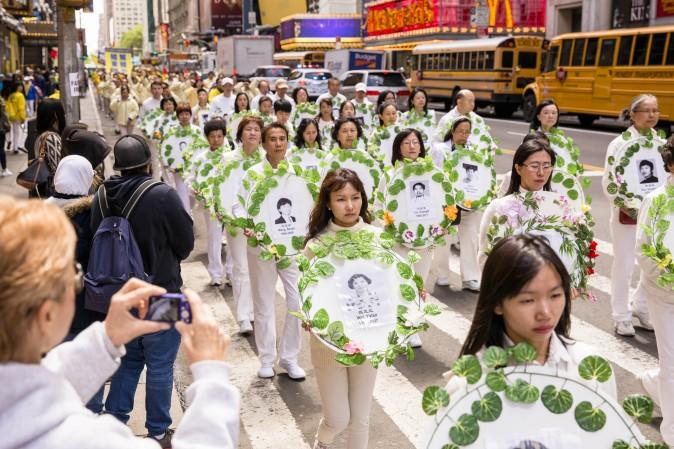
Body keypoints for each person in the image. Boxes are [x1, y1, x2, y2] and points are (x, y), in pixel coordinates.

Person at [0, 196, 239, 449]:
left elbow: (35, 391)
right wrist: (211, 374)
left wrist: (106, 338)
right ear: (46, 315)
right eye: (75, 277)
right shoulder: (88, 440)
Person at [90, 134, 195, 447]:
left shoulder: (102, 195)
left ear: (118, 166)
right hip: (162, 292)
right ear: (148, 162)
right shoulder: (162, 194)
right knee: (161, 364)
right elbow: (186, 243)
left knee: (129, 360)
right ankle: (159, 429)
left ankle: (114, 421)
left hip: (120, 296)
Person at [450, 234, 617, 399]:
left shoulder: (591, 366)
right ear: (497, 304)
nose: (545, 313)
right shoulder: (469, 385)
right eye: (528, 300)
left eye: (555, 296)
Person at [304, 168, 380, 449]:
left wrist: (411, 295)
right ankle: (322, 443)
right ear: (327, 203)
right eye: (341, 199)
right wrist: (308, 314)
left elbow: (390, 286)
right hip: (329, 344)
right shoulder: (317, 245)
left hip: (368, 340)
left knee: (360, 419)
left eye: (356, 197)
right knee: (338, 418)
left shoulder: (377, 239)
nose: (350, 205)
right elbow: (307, 294)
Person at [235, 123, 306, 380]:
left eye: (282, 139)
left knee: (297, 302)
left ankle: (290, 358)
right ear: (264, 144)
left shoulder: (297, 173)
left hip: (291, 249)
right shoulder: (252, 174)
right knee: (264, 304)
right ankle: (266, 359)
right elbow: (238, 206)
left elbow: (308, 204)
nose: (278, 143)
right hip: (261, 247)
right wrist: (247, 225)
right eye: (272, 139)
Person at [45, 155, 105, 413]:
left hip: (50, 306)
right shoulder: (94, 213)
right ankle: (91, 414)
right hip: (87, 302)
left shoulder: (41, 213)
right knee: (90, 362)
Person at [602, 94, 660, 337]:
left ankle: (642, 307)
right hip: (627, 214)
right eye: (646, 110)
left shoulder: (661, 143)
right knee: (625, 264)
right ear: (632, 115)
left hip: (655, 215)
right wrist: (629, 205)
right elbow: (610, 182)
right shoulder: (619, 145)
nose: (652, 115)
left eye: (656, 110)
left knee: (655, 263)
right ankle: (621, 316)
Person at [636, 135, 674, 446]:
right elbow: (644, 249)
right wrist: (666, 275)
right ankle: (672, 432)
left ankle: (651, 381)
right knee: (673, 362)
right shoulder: (657, 200)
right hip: (665, 292)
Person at [478, 138, 556, 268]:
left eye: (547, 166)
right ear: (518, 169)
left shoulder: (560, 207)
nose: (541, 172)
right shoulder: (499, 207)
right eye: (534, 166)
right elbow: (486, 256)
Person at [218, 116, 265, 335]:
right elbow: (219, 185)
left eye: (256, 129)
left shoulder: (266, 159)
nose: (253, 133)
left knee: (259, 268)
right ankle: (244, 315)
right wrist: (223, 210)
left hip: (260, 223)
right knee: (241, 268)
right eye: (248, 129)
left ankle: (256, 311)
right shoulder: (228, 159)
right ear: (240, 134)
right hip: (236, 221)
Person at [429, 117, 482, 291]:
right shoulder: (439, 150)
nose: (464, 135)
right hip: (447, 202)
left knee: (471, 238)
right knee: (443, 238)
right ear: (452, 131)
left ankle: (470, 277)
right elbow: (433, 173)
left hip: (469, 202)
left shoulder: (474, 150)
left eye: (467, 131)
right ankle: (442, 274)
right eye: (460, 131)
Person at [189, 119, 228, 286]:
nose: (216, 139)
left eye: (220, 136)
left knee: (233, 240)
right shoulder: (200, 158)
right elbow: (191, 179)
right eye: (213, 136)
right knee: (214, 238)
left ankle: (232, 272)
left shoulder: (231, 156)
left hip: (229, 203)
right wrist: (195, 190)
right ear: (207, 137)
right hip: (209, 204)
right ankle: (216, 274)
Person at [33, 99, 66, 198]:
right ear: (56, 115)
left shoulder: (41, 136)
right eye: (62, 113)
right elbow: (59, 169)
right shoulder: (52, 138)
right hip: (54, 193)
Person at [6, 80, 27, 154]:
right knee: (21, 132)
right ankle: (18, 147)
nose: (21, 87)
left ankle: (15, 147)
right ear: (17, 87)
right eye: (20, 86)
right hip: (18, 117)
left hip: (12, 117)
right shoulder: (20, 95)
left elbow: (7, 106)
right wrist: (23, 118)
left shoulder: (11, 96)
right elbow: (21, 108)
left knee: (15, 132)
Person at [0, 92, 10, 176]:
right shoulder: (1, 101)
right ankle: (4, 169)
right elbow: (4, 116)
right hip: (0, 129)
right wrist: (7, 126)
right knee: (1, 149)